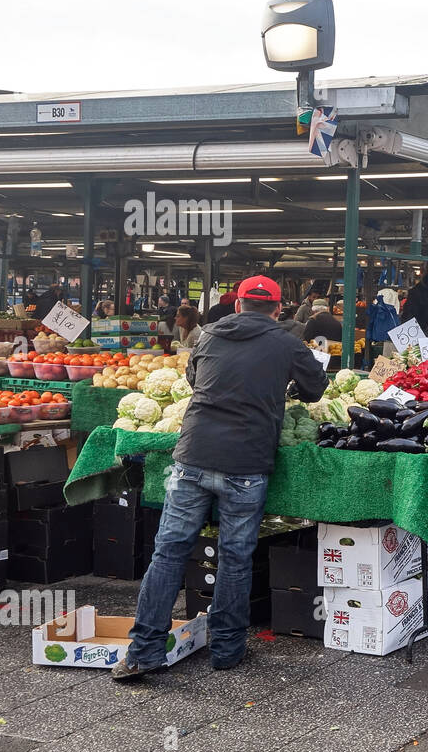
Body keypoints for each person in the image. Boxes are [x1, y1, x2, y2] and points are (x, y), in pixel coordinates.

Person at [113, 276, 328, 680]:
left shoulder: (208, 335)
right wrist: (285, 387)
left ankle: (143, 654)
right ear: (278, 310)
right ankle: (227, 650)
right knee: (234, 556)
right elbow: (316, 389)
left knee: (169, 552)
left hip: (192, 457)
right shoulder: (287, 343)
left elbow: (195, 380)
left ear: (237, 306)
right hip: (246, 465)